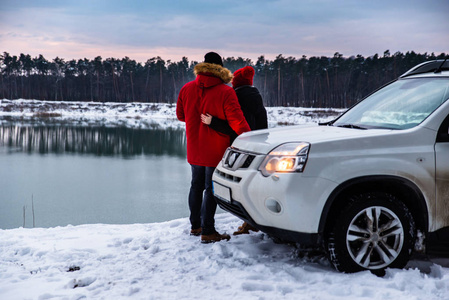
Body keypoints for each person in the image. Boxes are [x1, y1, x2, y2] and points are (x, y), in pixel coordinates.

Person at [176, 52, 251, 244]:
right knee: (211, 189)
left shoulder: (186, 88)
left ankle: (195, 226)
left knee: (195, 186)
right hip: (216, 151)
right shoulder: (226, 92)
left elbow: (181, 116)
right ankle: (208, 231)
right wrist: (250, 138)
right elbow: (239, 124)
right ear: (220, 68)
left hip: (194, 148)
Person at [201, 66, 268, 235]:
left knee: (235, 188)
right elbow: (262, 125)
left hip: (241, 148)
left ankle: (246, 223)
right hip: (258, 147)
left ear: (236, 82)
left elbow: (236, 127)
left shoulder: (237, 97)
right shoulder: (256, 96)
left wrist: (213, 122)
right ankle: (252, 222)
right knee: (250, 186)